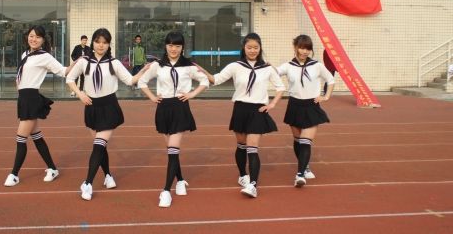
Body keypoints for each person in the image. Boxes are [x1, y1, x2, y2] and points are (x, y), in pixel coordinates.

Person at [198, 33, 284, 198]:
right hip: (240, 109)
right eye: (249, 47)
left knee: (253, 148)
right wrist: (202, 71)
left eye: (256, 47)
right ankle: (243, 175)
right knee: (241, 145)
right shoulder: (235, 66)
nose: (252, 50)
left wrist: (272, 104)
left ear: (260, 48)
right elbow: (216, 79)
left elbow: (280, 87)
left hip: (258, 110)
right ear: (243, 48)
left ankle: (253, 185)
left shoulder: (267, 68)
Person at [66, 28, 148, 201]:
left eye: (105, 42)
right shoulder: (84, 61)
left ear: (109, 44)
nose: (101, 45)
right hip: (91, 107)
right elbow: (70, 79)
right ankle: (108, 175)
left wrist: (144, 70)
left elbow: (130, 80)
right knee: (100, 147)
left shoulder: (114, 63)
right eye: (98, 41)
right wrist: (80, 94)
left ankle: (87, 183)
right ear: (93, 43)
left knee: (98, 145)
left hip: (109, 106)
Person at [138, 32, 209, 208]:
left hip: (180, 108)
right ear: (165, 46)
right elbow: (142, 81)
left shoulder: (189, 66)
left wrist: (191, 94)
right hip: (163, 108)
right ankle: (180, 180)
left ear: (182, 47)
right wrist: (152, 97)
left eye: (177, 46)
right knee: (171, 151)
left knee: (172, 149)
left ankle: (166, 191)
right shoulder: (157, 65)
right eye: (170, 45)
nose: (173, 49)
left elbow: (205, 81)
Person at [4, 25, 74, 187]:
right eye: (31, 36)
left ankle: (14, 174)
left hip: (31, 98)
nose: (33, 39)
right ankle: (52, 168)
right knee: (36, 136)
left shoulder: (45, 56)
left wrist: (78, 62)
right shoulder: (25, 54)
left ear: (43, 40)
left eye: (37, 37)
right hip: (23, 98)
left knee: (21, 138)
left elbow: (63, 71)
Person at [277, 35, 334, 188]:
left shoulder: (317, 65)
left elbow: (331, 80)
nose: (304, 51)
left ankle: (300, 174)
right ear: (295, 47)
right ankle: (305, 166)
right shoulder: (288, 66)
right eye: (302, 48)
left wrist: (326, 96)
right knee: (297, 141)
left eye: (308, 48)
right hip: (294, 106)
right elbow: (273, 73)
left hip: (311, 106)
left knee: (305, 141)